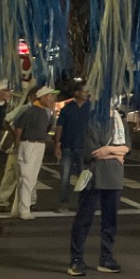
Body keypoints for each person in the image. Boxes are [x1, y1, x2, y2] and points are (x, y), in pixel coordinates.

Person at [67, 103, 130, 275]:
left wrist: (109, 150)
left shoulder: (120, 121)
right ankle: (76, 259)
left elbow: (126, 148)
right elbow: (94, 152)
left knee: (110, 221)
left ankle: (106, 257)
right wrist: (117, 153)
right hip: (94, 176)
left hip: (114, 177)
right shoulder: (92, 119)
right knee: (84, 219)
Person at [12, 85, 57, 220]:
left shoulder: (46, 112)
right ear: (42, 97)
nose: (52, 98)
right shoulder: (29, 111)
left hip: (39, 145)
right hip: (28, 144)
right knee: (27, 178)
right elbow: (18, 129)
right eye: (49, 96)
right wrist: (17, 145)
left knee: (29, 178)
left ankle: (18, 208)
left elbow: (48, 126)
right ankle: (24, 209)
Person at [0, 88, 37, 211]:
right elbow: (6, 120)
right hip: (20, 145)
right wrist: (14, 136)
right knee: (14, 173)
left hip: (30, 145)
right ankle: (5, 201)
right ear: (32, 96)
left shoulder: (42, 110)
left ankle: (28, 200)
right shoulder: (25, 109)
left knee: (24, 173)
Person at [55, 80, 92, 212]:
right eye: (85, 91)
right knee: (65, 177)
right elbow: (60, 127)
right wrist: (57, 145)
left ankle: (83, 203)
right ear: (76, 93)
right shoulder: (67, 108)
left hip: (84, 147)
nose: (87, 93)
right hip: (68, 146)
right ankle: (63, 203)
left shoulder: (91, 108)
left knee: (84, 178)